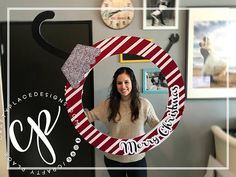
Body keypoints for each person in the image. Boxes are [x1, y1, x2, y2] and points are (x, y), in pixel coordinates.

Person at [84, 67, 160, 177]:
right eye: (119, 83)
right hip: (113, 159)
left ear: (132, 82)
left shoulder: (144, 104)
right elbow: (88, 117)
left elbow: (157, 126)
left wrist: (170, 121)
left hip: (137, 158)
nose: (123, 86)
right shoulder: (108, 104)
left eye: (126, 82)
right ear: (115, 85)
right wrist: (74, 106)